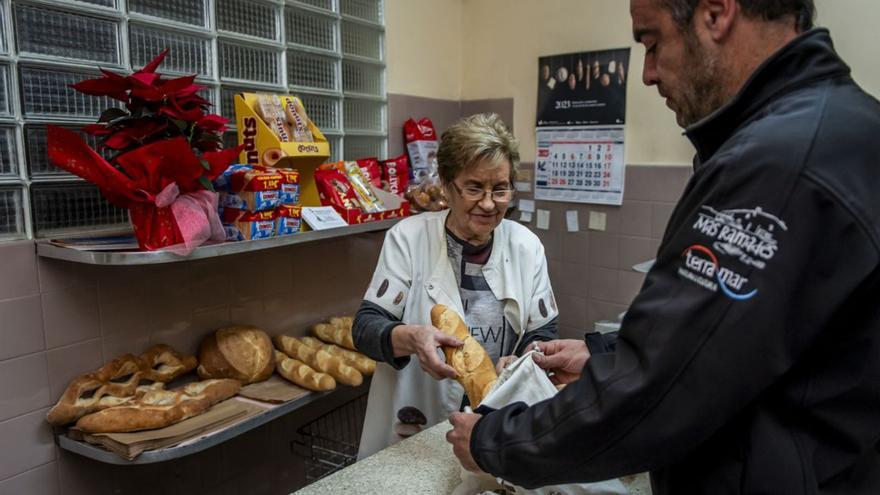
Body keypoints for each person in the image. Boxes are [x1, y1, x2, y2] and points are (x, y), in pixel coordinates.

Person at [447, 1, 880, 493]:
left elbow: (664, 389)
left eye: (652, 43)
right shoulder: (844, 128)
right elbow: (729, 341)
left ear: (716, 14)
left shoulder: (780, 164)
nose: (649, 74)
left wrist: (495, 441)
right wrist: (604, 352)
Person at [354, 113, 559, 458]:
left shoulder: (526, 246)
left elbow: (545, 332)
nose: (490, 203)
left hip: (494, 427)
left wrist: (524, 359)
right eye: (475, 188)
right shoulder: (408, 238)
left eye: (500, 188)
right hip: (417, 429)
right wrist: (413, 338)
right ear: (447, 186)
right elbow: (365, 330)